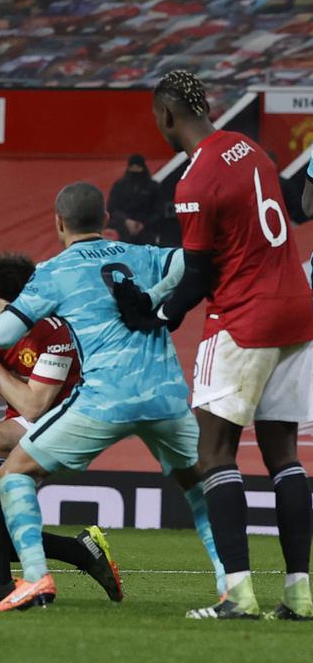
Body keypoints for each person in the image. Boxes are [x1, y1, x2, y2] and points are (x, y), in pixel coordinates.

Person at [118, 70, 313, 620]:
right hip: (297, 310)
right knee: (285, 458)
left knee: (214, 455)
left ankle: (238, 593)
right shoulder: (250, 149)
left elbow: (200, 275)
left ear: (166, 116)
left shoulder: (195, 179)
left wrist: (159, 312)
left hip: (244, 319)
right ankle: (300, 593)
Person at [0, 182, 223, 613]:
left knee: (15, 473)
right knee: (201, 488)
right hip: (165, 398)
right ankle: (230, 587)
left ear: (58, 223)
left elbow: (3, 333)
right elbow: (193, 262)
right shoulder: (141, 255)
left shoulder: (54, 271)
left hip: (104, 400)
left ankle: (37, 578)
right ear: (107, 221)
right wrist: (153, 297)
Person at [0, 252, 122, 604]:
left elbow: (35, 406)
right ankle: (81, 552)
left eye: (24, 306)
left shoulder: (54, 329)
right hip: (22, 421)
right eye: (9, 310)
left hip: (68, 420)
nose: (19, 318)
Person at [106, 154, 162, 244]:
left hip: (147, 232)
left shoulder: (153, 187)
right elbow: (112, 208)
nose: (135, 171)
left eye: (138, 168)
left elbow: (158, 211)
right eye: (132, 168)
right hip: (122, 232)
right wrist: (126, 221)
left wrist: (142, 224)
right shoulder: (119, 185)